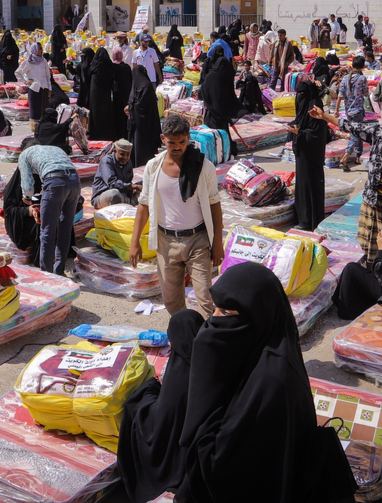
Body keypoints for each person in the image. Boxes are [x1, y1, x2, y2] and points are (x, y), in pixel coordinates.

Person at [174, 262, 358, 502]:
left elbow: (222, 465)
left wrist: (203, 406)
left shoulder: (271, 381)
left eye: (227, 313)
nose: (212, 323)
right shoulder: (263, 349)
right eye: (214, 310)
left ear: (257, 316)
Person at [129, 114, 223, 316]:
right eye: (172, 142)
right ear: (163, 139)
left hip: (197, 240)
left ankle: (211, 344)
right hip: (166, 242)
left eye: (182, 142)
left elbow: (215, 204)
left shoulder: (204, 167)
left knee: (206, 299)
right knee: (172, 301)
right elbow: (144, 204)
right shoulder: (153, 167)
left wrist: (217, 243)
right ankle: (185, 341)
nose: (177, 147)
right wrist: (135, 242)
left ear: (189, 138)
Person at [311, 107, 382, 264]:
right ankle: (369, 268)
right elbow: (353, 127)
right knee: (367, 237)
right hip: (371, 198)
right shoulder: (379, 135)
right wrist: (324, 116)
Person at [117, 309, 204, 502]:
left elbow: (158, 421)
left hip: (177, 456)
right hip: (201, 448)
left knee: (134, 405)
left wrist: (149, 388)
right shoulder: (210, 363)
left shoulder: (180, 374)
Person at [17, 137, 80, 275]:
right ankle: (59, 270)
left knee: (47, 232)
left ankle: (47, 274)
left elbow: (27, 186)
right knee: (65, 228)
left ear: (24, 148)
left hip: (54, 183)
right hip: (75, 182)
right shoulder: (55, 149)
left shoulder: (25, 154)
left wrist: (27, 199)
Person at [286, 72, 329, 231]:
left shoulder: (315, 107)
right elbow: (300, 122)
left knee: (310, 186)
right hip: (302, 153)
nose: (299, 97)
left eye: (302, 94)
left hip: (312, 156)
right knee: (302, 186)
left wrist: (300, 133)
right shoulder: (305, 107)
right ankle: (302, 218)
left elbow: (318, 133)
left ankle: (309, 220)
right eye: (298, 94)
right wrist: (294, 128)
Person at [337, 56, 371, 172]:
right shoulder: (362, 79)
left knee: (358, 131)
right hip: (358, 110)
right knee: (356, 133)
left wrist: (336, 110)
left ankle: (358, 156)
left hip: (348, 111)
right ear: (362, 66)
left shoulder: (345, 78)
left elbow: (340, 95)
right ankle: (346, 156)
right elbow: (366, 94)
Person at [126, 64, 161, 168]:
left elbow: (142, 106)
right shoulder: (138, 85)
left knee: (142, 146)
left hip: (145, 124)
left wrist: (131, 108)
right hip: (137, 122)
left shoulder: (146, 87)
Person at [91, 139, 140, 208]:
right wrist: (134, 187)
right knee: (114, 194)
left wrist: (134, 190)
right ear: (115, 151)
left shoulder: (128, 162)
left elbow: (128, 181)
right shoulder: (106, 161)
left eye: (128, 155)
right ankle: (129, 203)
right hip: (104, 195)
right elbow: (112, 183)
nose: (125, 157)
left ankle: (129, 203)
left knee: (145, 185)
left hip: (123, 195)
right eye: (122, 154)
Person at [198, 51, 239, 132]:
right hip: (222, 113)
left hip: (211, 112)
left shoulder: (210, 76)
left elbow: (203, 91)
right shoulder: (226, 78)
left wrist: (208, 104)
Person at [16, 42, 51, 130]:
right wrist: (25, 81)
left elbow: (47, 76)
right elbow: (18, 72)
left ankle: (43, 130)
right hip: (34, 89)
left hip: (44, 89)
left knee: (44, 110)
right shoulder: (29, 61)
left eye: (42, 48)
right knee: (35, 111)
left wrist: (49, 89)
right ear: (34, 49)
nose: (41, 50)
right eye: (39, 48)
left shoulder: (43, 61)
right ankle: (35, 131)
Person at [86, 47, 118, 141]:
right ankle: (106, 134)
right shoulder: (109, 65)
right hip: (105, 93)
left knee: (95, 113)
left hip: (95, 93)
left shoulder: (94, 65)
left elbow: (87, 74)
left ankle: (96, 134)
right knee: (105, 113)